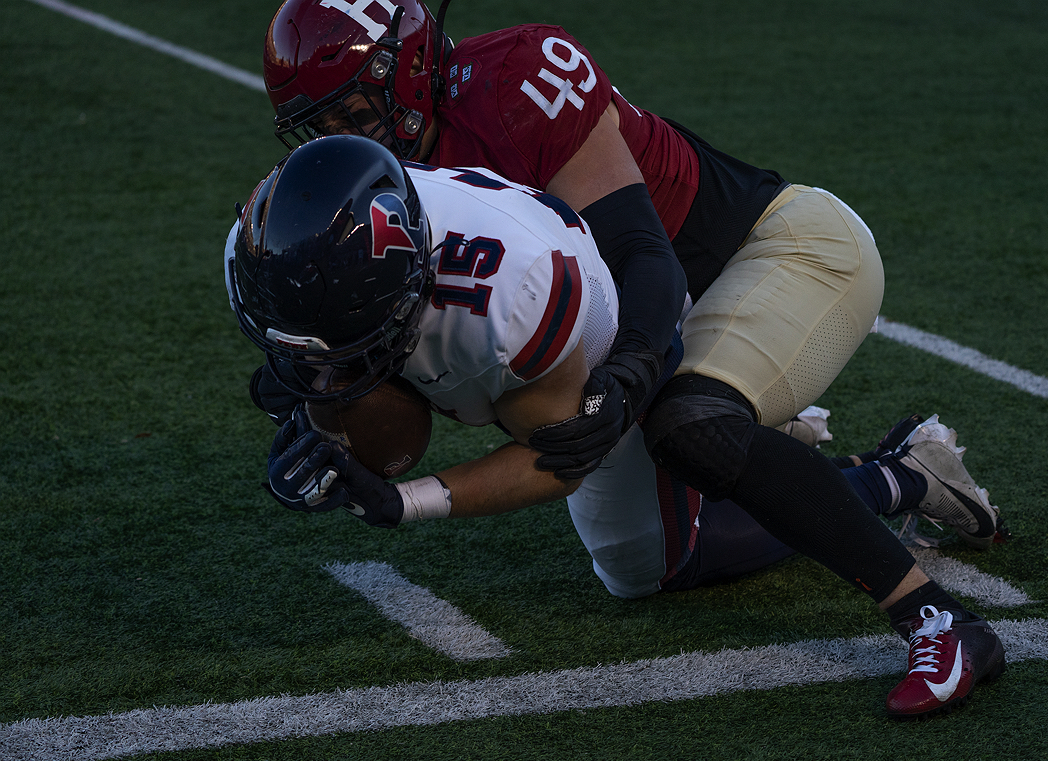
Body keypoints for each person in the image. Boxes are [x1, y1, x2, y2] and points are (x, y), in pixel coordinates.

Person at [228, 135, 1005, 719]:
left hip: (679, 319)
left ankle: (927, 587)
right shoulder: (275, 244)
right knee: (639, 562)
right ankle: (811, 458)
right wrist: (319, 415)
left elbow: (561, 452)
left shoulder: (511, 300)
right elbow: (320, 371)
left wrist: (408, 502)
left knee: (680, 469)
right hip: (578, 320)